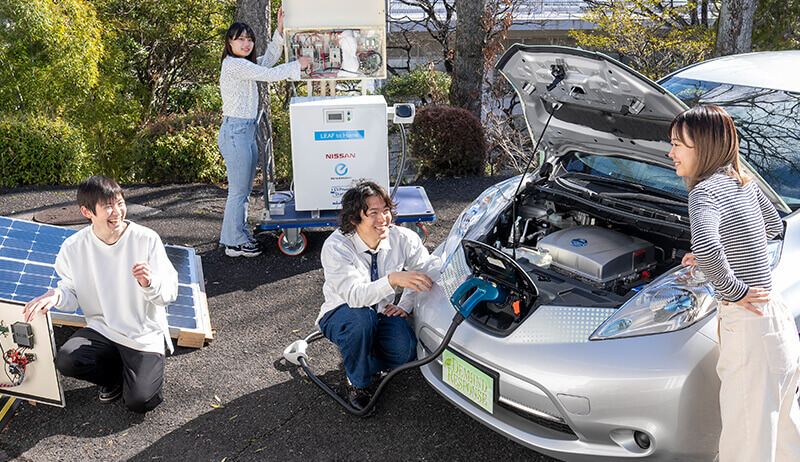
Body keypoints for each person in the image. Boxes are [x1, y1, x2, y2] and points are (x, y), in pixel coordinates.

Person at [669, 105, 800, 461]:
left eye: (679, 144)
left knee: (745, 448)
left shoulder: (703, 193)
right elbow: (773, 227)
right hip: (776, 319)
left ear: (705, 147)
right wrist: (732, 249)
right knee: (784, 439)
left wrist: (734, 290)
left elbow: (707, 247)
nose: (671, 153)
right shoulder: (746, 182)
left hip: (748, 328)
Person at [23, 176, 178, 414]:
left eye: (120, 203)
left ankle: (136, 372)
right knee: (67, 360)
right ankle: (115, 377)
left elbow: (169, 294)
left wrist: (149, 283)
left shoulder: (146, 239)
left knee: (141, 402)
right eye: (108, 206)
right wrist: (56, 296)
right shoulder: (74, 247)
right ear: (87, 212)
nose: (117, 212)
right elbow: (71, 292)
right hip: (102, 328)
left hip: (142, 332)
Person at [317, 180, 441, 411]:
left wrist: (405, 305)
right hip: (343, 313)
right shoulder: (336, 246)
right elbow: (354, 296)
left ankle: (357, 356)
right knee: (361, 320)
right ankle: (358, 384)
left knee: (404, 352)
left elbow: (426, 270)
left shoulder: (402, 238)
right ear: (354, 219)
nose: (383, 219)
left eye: (386, 211)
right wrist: (393, 279)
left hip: (382, 313)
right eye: (373, 213)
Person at [218, 10, 311, 257]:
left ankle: (238, 234)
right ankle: (233, 243)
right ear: (229, 43)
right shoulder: (234, 65)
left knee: (244, 190)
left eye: (249, 39)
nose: (246, 43)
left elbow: (267, 61)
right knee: (238, 192)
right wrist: (297, 65)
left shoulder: (245, 64)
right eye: (240, 39)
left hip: (245, 131)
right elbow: (270, 75)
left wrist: (279, 31)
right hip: (236, 132)